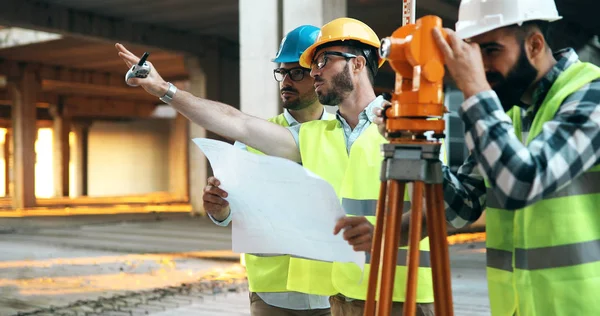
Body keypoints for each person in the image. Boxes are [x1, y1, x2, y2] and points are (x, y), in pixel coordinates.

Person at [115, 17, 433, 316]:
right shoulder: (316, 137)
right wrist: (164, 89)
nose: (315, 72)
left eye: (322, 62)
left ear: (358, 64)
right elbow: (236, 123)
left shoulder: (407, 127)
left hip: (403, 298)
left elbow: (442, 207)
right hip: (345, 297)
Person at [374, 0, 600, 315]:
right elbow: (459, 208)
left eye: (491, 50)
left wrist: (476, 91)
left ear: (534, 44)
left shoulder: (590, 95)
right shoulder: (510, 114)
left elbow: (522, 184)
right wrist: (414, 139)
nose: (480, 67)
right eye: (473, 53)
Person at [203, 24, 334, 316]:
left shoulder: (341, 136)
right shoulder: (253, 139)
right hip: (272, 294)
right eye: (282, 72)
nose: (286, 81)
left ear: (318, 74)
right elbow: (231, 212)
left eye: (296, 72)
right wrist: (219, 210)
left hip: (332, 290)